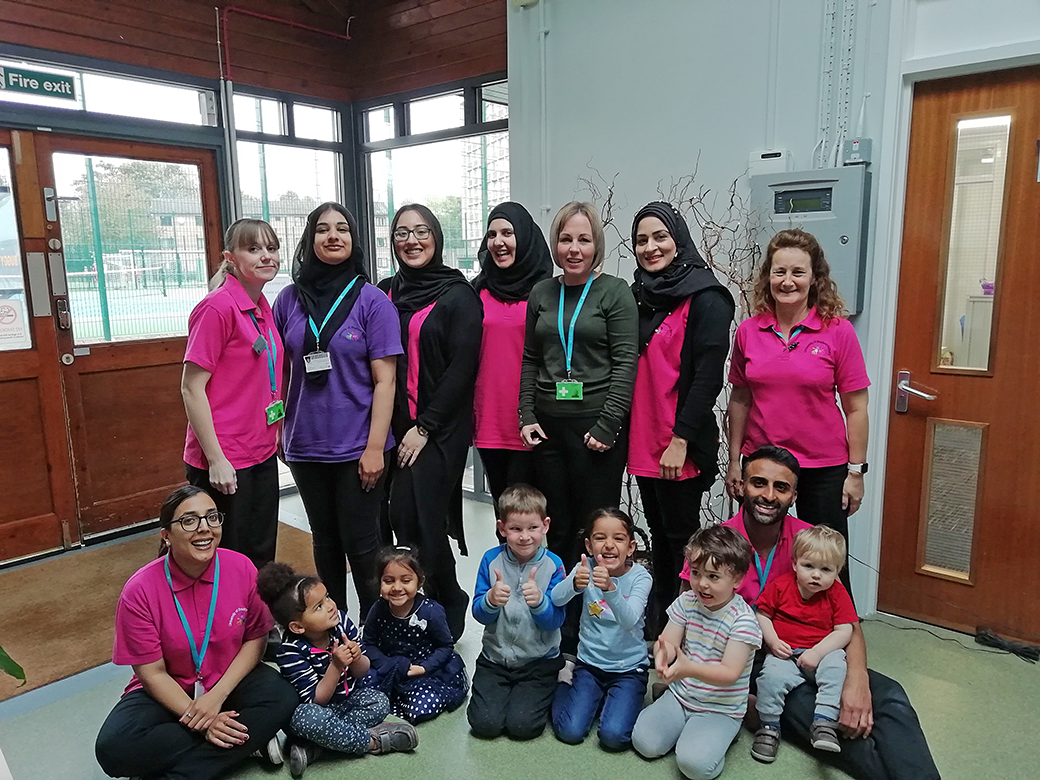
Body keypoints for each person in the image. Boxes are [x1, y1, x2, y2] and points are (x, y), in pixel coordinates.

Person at [685, 446, 941, 780]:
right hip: (753, 666)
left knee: (890, 698)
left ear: (794, 495)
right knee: (836, 731)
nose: (768, 495)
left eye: (781, 487)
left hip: (818, 652)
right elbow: (689, 620)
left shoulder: (813, 544)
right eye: (758, 483)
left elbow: (848, 622)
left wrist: (857, 678)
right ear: (741, 485)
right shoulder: (716, 545)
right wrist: (732, 693)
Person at [95, 486, 298, 780]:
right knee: (113, 748)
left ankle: (183, 773)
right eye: (189, 521)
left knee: (282, 696)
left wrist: (216, 697)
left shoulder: (241, 567)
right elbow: (152, 673)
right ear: (166, 534)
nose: (204, 529)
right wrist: (202, 720)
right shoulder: (139, 590)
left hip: (228, 681)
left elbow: (256, 638)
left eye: (212, 518)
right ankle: (246, 743)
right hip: (169, 690)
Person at [273, 202, 401, 621]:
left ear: (354, 239)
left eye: (342, 229)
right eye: (322, 229)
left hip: (357, 449)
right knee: (325, 542)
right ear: (309, 241)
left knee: (364, 545)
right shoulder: (289, 300)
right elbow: (277, 371)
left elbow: (386, 381)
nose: (333, 236)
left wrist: (374, 448)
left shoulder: (373, 301)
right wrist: (278, 429)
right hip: (305, 445)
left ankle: (375, 628)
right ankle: (335, 625)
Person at [725, 228, 869, 594]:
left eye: (797, 272)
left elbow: (856, 408)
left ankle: (838, 643)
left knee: (824, 563)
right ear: (767, 277)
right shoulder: (748, 332)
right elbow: (740, 399)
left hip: (823, 468)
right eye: (779, 272)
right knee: (759, 556)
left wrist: (855, 472)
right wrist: (734, 461)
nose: (787, 281)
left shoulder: (838, 332)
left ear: (815, 279)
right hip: (764, 466)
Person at [627, 201, 734, 634]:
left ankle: (686, 626)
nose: (651, 248)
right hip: (641, 437)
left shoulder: (708, 298)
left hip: (679, 442)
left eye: (660, 237)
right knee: (657, 532)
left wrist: (681, 439)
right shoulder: (639, 295)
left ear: (678, 239)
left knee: (682, 538)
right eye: (641, 240)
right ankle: (663, 620)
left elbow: (708, 378)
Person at [378, 203, 483, 641]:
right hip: (393, 428)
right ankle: (424, 599)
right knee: (402, 517)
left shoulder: (458, 295)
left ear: (436, 237)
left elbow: (463, 367)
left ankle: (448, 595)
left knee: (425, 516)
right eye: (402, 233)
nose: (412, 240)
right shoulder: (385, 291)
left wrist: (425, 427)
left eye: (421, 231)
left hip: (438, 429)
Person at [519, 201, 639, 569]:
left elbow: (625, 363)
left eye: (583, 240)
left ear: (596, 246)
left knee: (596, 531)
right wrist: (525, 414)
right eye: (566, 239)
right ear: (554, 244)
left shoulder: (614, 292)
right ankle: (562, 617)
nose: (574, 249)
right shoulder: (541, 292)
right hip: (548, 429)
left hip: (595, 432)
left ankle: (596, 617)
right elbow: (530, 359)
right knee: (556, 527)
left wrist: (607, 425)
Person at [181, 218, 285, 569]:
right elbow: (191, 387)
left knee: (259, 553)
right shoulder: (217, 307)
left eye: (271, 248)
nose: (265, 256)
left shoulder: (262, 308)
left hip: (261, 451)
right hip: (225, 460)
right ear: (230, 257)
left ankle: (254, 621)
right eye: (253, 249)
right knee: (224, 558)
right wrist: (216, 460)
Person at [256, 561, 418, 778]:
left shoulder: (340, 622)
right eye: (319, 607)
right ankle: (371, 742)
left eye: (328, 597)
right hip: (315, 710)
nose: (331, 606)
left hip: (347, 703)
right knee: (306, 719)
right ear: (298, 626)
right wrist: (336, 665)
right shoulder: (290, 651)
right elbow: (317, 700)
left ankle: (317, 747)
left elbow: (363, 671)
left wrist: (357, 657)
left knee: (379, 701)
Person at [631, 525, 762, 780]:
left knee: (694, 766)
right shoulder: (686, 601)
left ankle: (727, 731)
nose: (702, 584)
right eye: (696, 573)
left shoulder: (743, 620)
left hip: (720, 709)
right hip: (681, 697)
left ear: (737, 579)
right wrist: (662, 657)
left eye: (713, 577)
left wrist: (686, 668)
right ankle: (692, 730)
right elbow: (667, 642)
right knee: (644, 744)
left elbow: (729, 673)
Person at [467, 484, 567, 739]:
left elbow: (556, 620)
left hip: (538, 662)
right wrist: (490, 600)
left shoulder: (555, 565)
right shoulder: (491, 560)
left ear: (545, 525)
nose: (525, 537)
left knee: (522, 728)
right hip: (494, 660)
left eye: (533, 528)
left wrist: (540, 604)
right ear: (502, 529)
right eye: (515, 529)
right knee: (484, 725)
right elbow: (479, 615)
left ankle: (558, 682)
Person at [473, 202, 554, 515]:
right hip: (490, 419)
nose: (498, 241)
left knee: (538, 517)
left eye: (507, 232)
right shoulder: (476, 291)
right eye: (492, 234)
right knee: (504, 516)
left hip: (535, 419)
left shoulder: (548, 292)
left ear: (525, 237)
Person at [751, 525, 858, 763]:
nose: (816, 575)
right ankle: (769, 728)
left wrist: (818, 653)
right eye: (809, 566)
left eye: (826, 569)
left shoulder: (837, 594)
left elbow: (845, 630)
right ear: (795, 564)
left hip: (821, 652)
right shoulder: (781, 586)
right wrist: (773, 641)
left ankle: (824, 723)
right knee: (770, 678)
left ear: (837, 571)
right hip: (785, 653)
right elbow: (762, 614)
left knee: (837, 668)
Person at [550, 508, 652, 750]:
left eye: (618, 538)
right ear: (588, 545)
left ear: (631, 547)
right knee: (570, 732)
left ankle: (610, 702)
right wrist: (574, 584)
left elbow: (629, 620)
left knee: (613, 737)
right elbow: (555, 598)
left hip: (629, 670)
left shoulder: (641, 577)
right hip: (589, 666)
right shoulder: (584, 567)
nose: (608, 545)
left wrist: (609, 589)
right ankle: (565, 683)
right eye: (600, 538)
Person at [361, 545, 469, 723]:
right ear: (379, 582)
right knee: (360, 688)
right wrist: (385, 664)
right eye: (388, 581)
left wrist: (424, 667)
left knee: (422, 706)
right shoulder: (378, 609)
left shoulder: (431, 611)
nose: (396, 588)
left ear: (419, 581)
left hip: (424, 671)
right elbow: (368, 643)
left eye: (405, 580)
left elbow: (445, 646)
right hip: (388, 666)